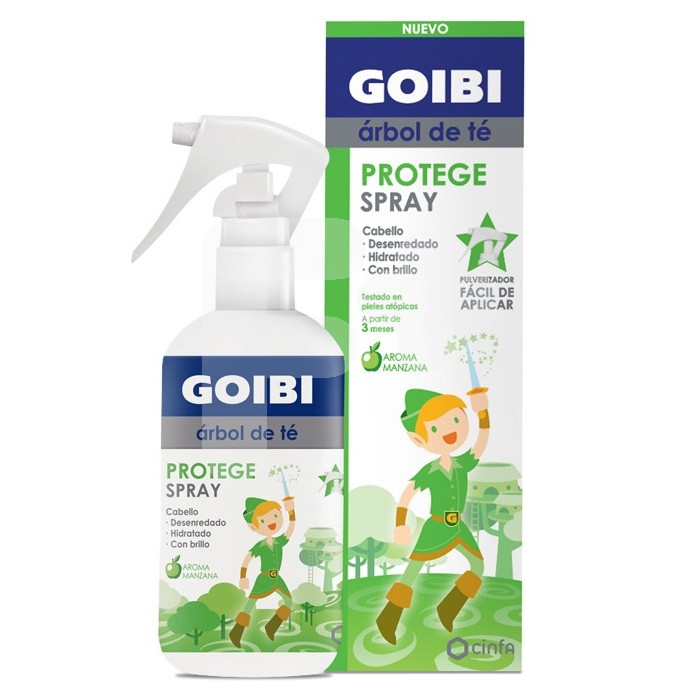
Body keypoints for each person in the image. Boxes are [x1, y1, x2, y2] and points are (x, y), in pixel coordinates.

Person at [376, 388, 490, 644]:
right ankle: (388, 618)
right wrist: (400, 524)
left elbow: (481, 443)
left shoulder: (462, 463)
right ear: (419, 439)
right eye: (435, 429)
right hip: (436, 527)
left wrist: (482, 413)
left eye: (456, 420)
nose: (450, 431)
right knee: (412, 572)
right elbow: (408, 494)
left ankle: (448, 609)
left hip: (457, 526)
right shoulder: (430, 470)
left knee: (478, 565)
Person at [229, 495, 296, 648]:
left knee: (288, 601)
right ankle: (236, 632)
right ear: (253, 527)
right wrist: (243, 577)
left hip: (277, 578)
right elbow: (247, 560)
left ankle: (271, 627)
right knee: (250, 605)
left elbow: (290, 528)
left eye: (275, 516)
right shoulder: (260, 546)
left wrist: (291, 511)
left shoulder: (279, 542)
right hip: (264, 578)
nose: (272, 522)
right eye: (263, 521)